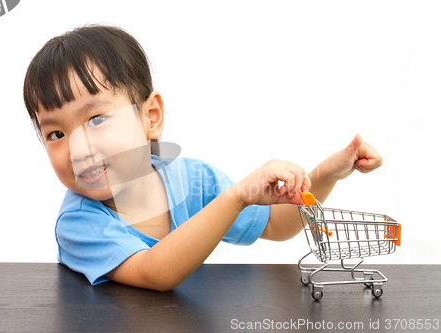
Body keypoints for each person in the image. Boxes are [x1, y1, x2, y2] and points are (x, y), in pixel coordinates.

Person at [23, 24, 382, 291]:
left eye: (96, 118)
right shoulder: (78, 223)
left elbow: (277, 224)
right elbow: (156, 272)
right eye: (56, 133)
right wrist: (237, 197)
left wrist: (327, 174)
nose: (78, 149)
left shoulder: (192, 180)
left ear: (151, 118)